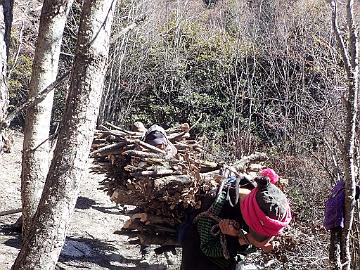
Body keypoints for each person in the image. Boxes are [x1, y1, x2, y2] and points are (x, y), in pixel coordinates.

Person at [180, 168, 292, 270]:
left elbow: (254, 242)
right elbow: (207, 248)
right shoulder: (216, 206)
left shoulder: (261, 204)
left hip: (228, 262)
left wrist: (248, 240)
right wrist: (241, 240)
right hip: (198, 260)